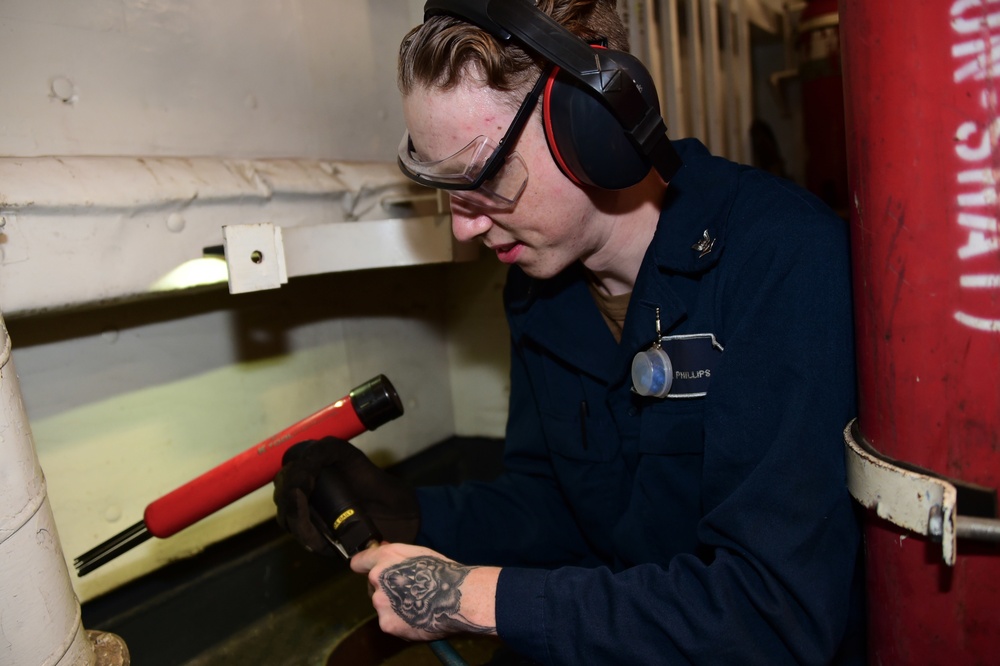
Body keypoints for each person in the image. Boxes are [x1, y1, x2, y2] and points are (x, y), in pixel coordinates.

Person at [273, 0, 866, 663]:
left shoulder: (784, 260)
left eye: (486, 177)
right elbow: (556, 509)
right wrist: (412, 514)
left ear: (596, 124)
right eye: (447, 190)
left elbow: (772, 613)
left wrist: (472, 598)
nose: (464, 226)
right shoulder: (540, 287)